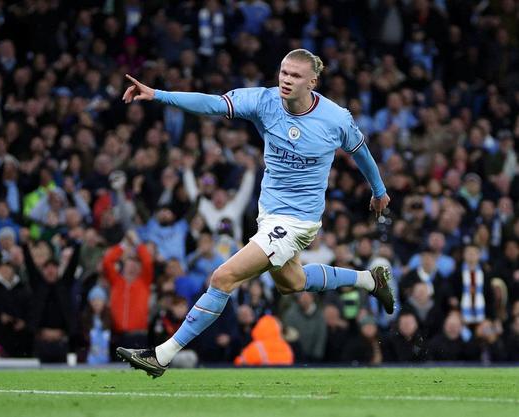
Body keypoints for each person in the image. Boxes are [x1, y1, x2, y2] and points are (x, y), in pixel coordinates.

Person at [116, 48, 394, 377]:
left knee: (223, 277)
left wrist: (379, 191)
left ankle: (161, 355)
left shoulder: (335, 119)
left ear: (312, 82)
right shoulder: (263, 101)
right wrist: (158, 94)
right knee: (293, 282)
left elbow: (361, 152)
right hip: (269, 214)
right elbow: (212, 104)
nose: (286, 80)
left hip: (298, 221)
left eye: (295, 76)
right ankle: (369, 280)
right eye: (284, 72)